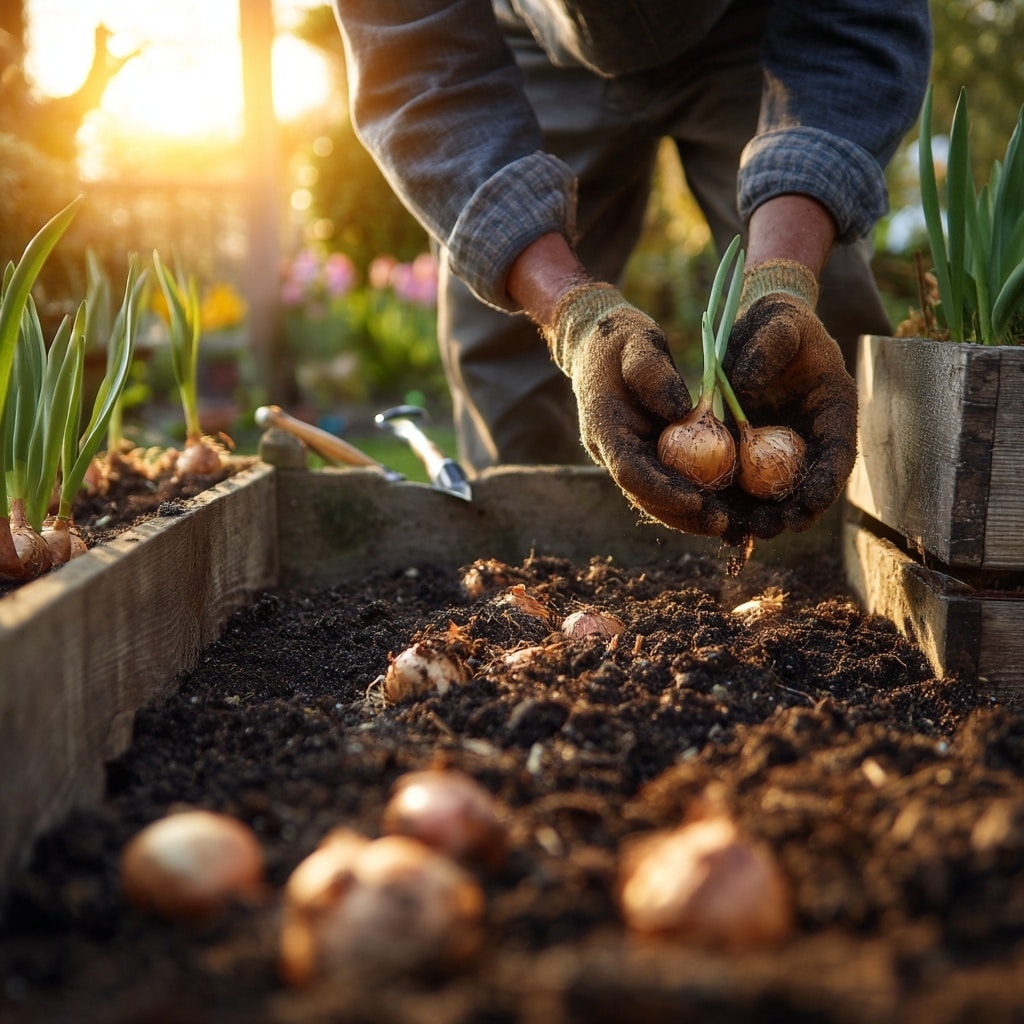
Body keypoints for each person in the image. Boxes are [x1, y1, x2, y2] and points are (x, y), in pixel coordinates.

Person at [330, 1, 932, 543]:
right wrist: (573, 315)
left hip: (758, 29)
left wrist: (786, 278)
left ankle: (854, 566)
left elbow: (857, 22)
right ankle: (522, 583)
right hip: (531, 39)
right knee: (506, 356)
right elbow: (413, 59)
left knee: (821, 336)